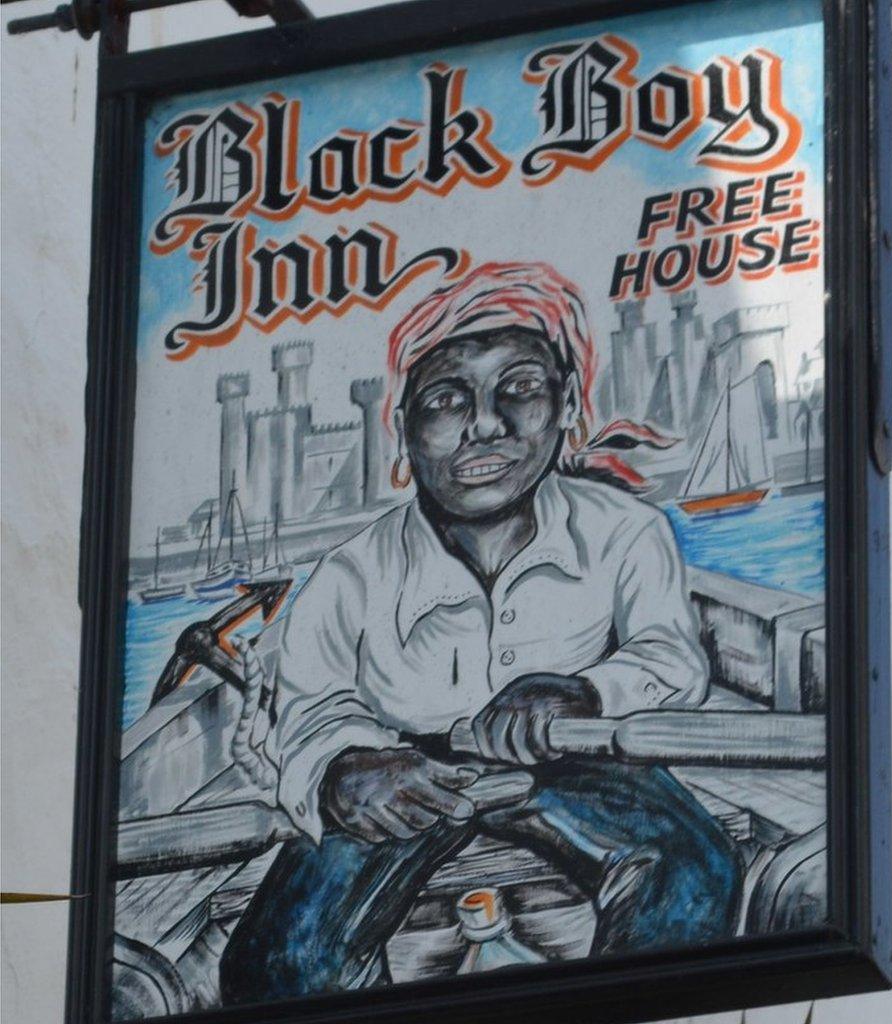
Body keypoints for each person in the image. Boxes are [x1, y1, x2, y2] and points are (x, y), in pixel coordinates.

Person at [219, 262, 741, 1005]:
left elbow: (670, 661)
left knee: (696, 872)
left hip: (587, 763)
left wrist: (583, 693)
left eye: (521, 390)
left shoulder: (628, 532)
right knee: (279, 961)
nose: (487, 425)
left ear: (568, 407)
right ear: (403, 430)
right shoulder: (349, 575)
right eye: (445, 400)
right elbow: (313, 710)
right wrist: (343, 770)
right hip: (407, 779)